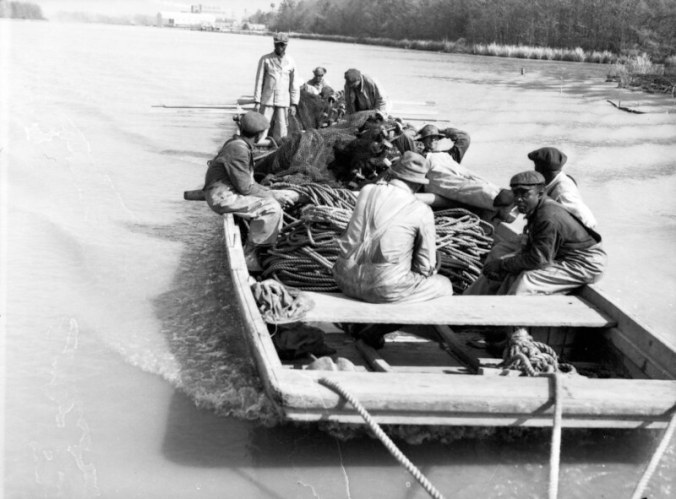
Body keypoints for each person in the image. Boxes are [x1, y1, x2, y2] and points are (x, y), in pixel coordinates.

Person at [333, 151, 454, 303]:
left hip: (343, 280)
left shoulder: (366, 191)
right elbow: (425, 268)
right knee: (445, 285)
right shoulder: (421, 210)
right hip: (385, 290)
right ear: (418, 184)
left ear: (393, 174)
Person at [464, 171, 606, 296]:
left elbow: (538, 260)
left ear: (540, 193)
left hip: (585, 263)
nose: (518, 199)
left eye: (525, 194)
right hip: (560, 255)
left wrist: (502, 264)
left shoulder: (547, 217)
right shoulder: (538, 208)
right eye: (515, 193)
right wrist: (503, 263)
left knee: (526, 282)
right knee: (502, 268)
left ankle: (514, 325)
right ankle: (468, 305)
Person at [202, 111, 298, 271]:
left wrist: (269, 191)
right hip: (222, 196)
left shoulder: (238, 144)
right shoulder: (238, 150)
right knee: (271, 208)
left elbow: (249, 183)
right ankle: (250, 256)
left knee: (272, 200)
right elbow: (245, 188)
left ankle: (261, 245)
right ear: (259, 135)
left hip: (227, 190)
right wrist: (273, 195)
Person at [415, 124, 514, 222]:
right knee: (467, 187)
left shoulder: (449, 155)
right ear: (422, 141)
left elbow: (464, 138)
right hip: (440, 182)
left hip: (457, 178)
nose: (433, 140)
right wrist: (415, 134)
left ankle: (502, 198)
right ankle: (498, 199)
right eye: (429, 138)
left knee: (476, 179)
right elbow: (405, 141)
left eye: (435, 138)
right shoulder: (418, 157)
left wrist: (442, 131)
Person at [528, 146, 597, 229]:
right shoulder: (557, 180)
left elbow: (587, 221)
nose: (535, 169)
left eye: (536, 165)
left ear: (540, 168)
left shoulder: (562, 192)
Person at [253, 33, 300, 143]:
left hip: (283, 100)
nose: (280, 47)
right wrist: (257, 101)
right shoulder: (266, 59)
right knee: (263, 125)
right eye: (277, 44)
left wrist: (294, 104)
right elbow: (259, 81)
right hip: (267, 99)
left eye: (282, 45)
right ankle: (260, 145)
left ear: (286, 46)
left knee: (282, 126)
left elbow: (294, 84)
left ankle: (279, 148)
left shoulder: (291, 61)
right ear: (274, 44)